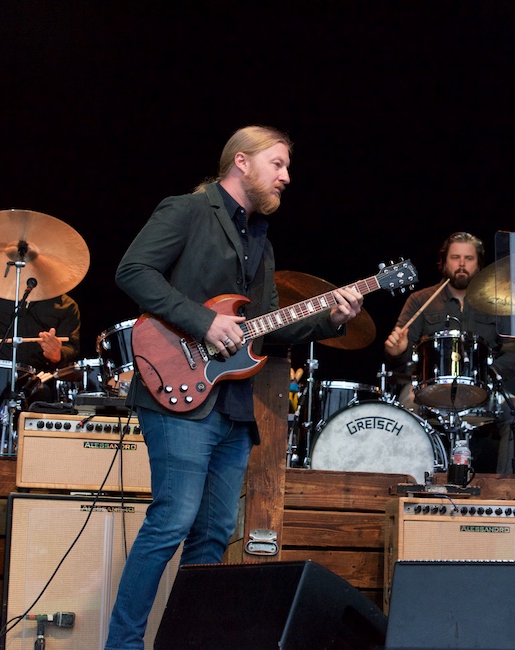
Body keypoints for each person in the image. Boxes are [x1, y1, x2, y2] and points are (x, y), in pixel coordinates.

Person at [105, 125, 363, 649]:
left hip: (232, 405)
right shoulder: (186, 210)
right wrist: (203, 322)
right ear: (241, 162)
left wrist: (330, 318)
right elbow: (132, 270)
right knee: (171, 522)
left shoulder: (259, 240)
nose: (287, 177)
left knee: (214, 535)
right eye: (278, 164)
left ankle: (188, 641)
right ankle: (123, 645)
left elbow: (265, 325)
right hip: (174, 394)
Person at [383, 232, 515, 475]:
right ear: (443, 262)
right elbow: (400, 354)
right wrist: (396, 352)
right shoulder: (420, 300)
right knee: (403, 412)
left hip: (486, 386)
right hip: (426, 387)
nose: (462, 264)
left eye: (469, 258)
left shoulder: (501, 302)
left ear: (479, 264)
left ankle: (510, 492)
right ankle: (405, 480)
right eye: (455, 257)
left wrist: (488, 376)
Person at [0, 291, 81, 407]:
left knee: (44, 396)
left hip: (36, 381)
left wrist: (57, 354)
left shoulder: (67, 305)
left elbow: (71, 348)